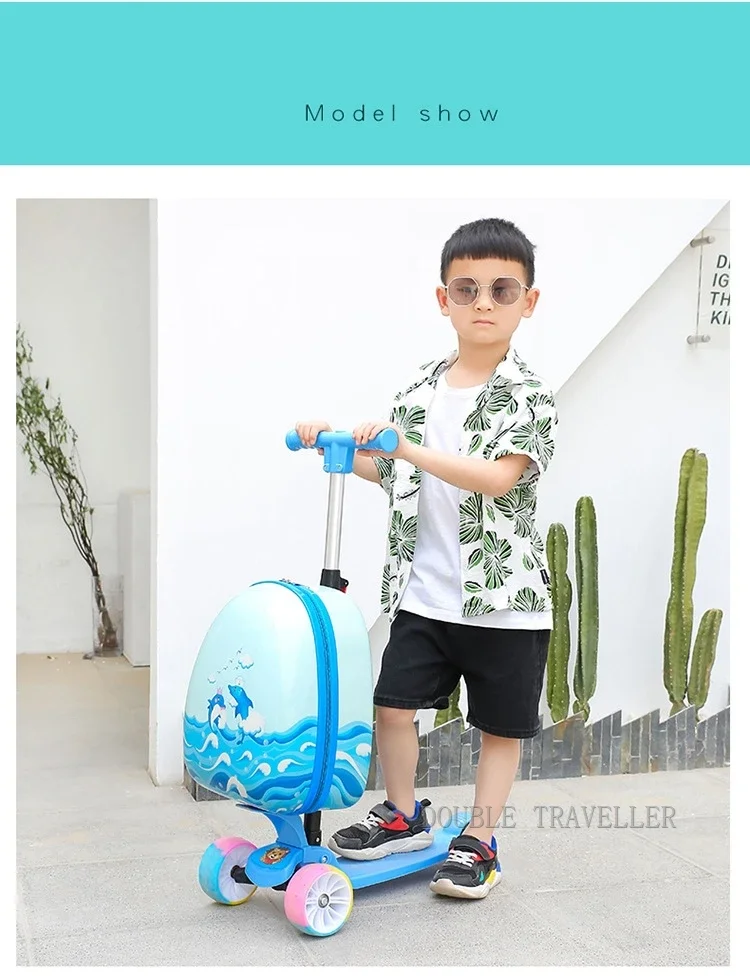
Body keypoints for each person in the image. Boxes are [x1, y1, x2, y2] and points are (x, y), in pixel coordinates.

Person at [294, 217, 558, 900]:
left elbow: (498, 479)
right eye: (466, 289)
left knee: (498, 728)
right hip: (423, 593)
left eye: (502, 290)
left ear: (528, 302)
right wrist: (335, 447)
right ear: (444, 299)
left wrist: (406, 448)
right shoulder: (419, 388)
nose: (483, 303)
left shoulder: (529, 395)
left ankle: (481, 840)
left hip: (503, 601)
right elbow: (395, 475)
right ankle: (404, 814)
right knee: (392, 706)